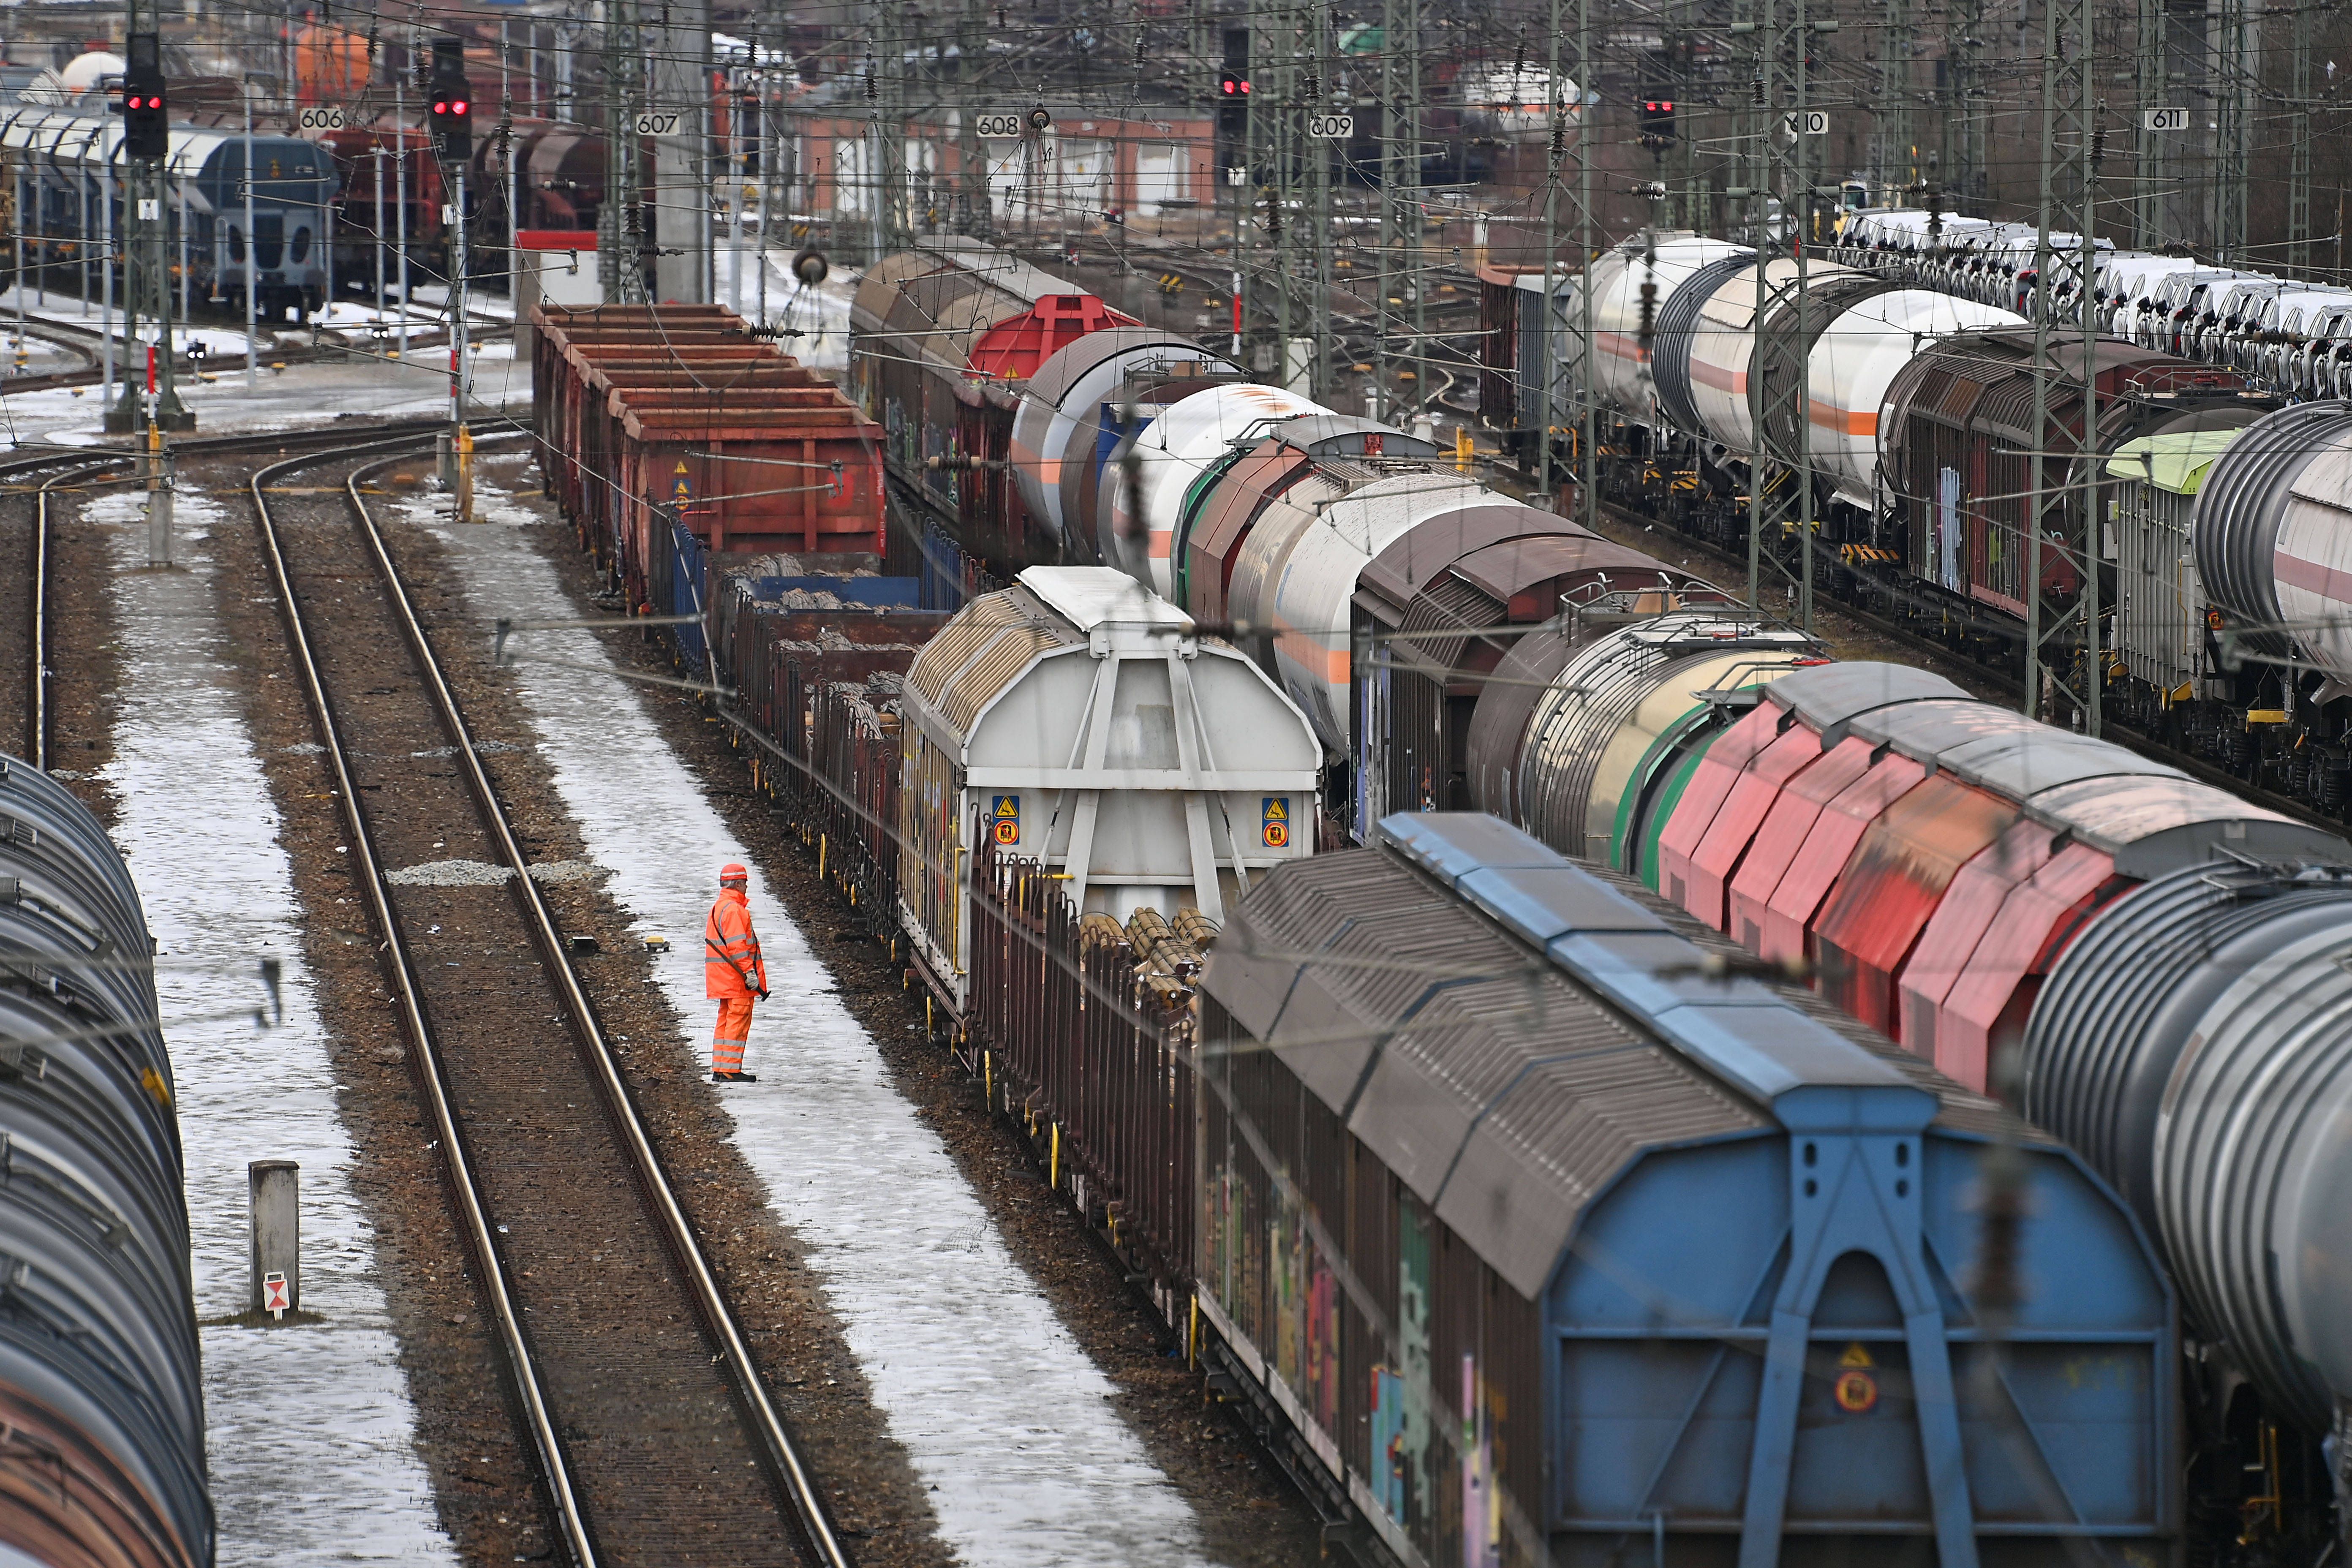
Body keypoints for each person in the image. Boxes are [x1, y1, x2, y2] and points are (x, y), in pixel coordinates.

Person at [703, 863, 768, 1082]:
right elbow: (738, 947)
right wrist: (750, 972)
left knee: (725, 1021)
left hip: (724, 978)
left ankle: (720, 1068)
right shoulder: (734, 910)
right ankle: (731, 1071)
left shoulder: (719, 907)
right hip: (737, 978)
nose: (747, 887)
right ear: (738, 884)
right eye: (745, 883)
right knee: (737, 1022)